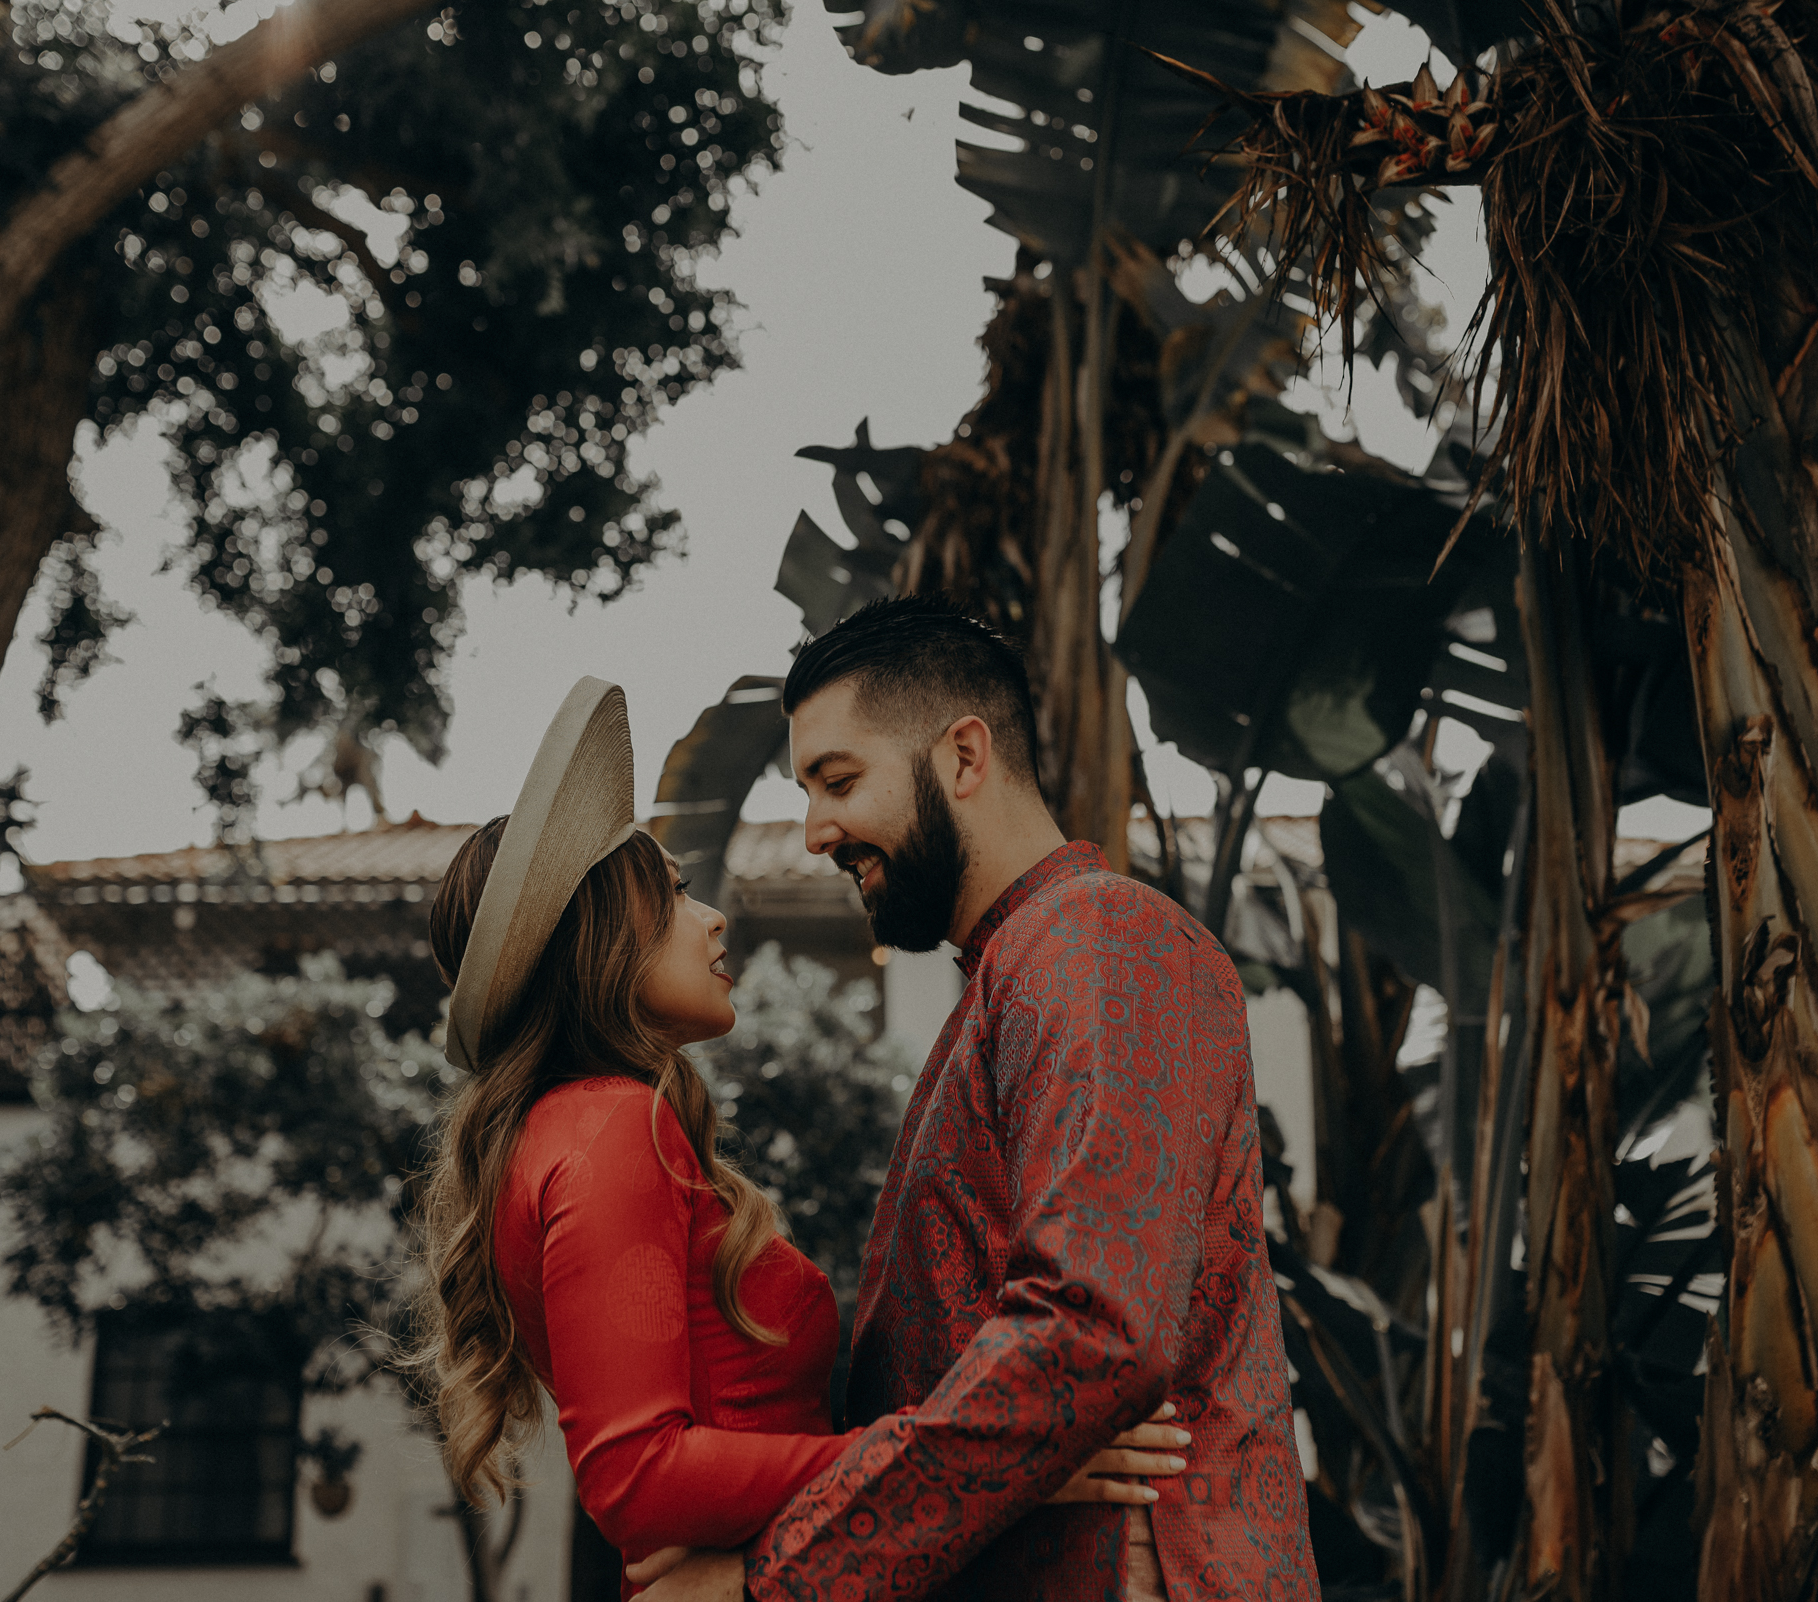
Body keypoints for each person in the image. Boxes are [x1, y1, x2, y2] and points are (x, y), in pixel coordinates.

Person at [409, 677, 1190, 1601]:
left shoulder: (556, 1135)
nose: (711, 917)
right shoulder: (609, 1126)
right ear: (602, 937)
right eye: (673, 894)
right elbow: (638, 1479)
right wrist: (980, 1470)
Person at [632, 599, 1319, 1601]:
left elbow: (1091, 1333)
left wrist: (768, 1581)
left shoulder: (1101, 944)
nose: (817, 831)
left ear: (963, 757)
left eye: (839, 781)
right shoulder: (1014, 973)